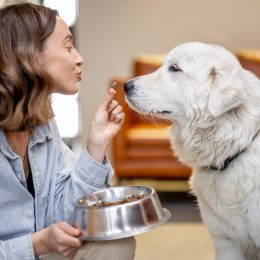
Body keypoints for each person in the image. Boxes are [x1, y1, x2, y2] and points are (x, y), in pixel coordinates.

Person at [0, 3, 136, 260]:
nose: (79, 57)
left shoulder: (43, 124)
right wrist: (38, 244)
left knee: (116, 243)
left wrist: (95, 145)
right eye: (67, 46)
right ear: (28, 53)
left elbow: (66, 215)